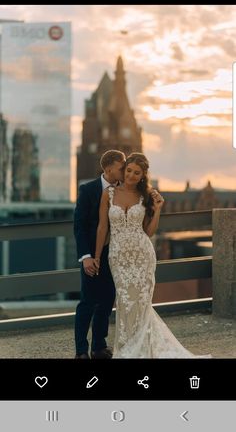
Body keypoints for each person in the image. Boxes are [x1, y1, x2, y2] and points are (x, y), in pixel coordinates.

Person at [94, 153, 211, 358]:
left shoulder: (145, 196)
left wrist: (157, 210)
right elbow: (103, 227)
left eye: (136, 173)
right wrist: (96, 256)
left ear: (142, 176)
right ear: (125, 169)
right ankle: (127, 346)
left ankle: (141, 348)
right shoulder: (109, 194)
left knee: (141, 302)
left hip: (142, 255)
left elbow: (148, 231)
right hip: (118, 256)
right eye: (128, 170)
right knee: (124, 300)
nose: (131, 175)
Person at [73, 149, 126, 359]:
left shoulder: (124, 190)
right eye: (122, 166)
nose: (124, 170)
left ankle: (98, 347)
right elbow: (79, 226)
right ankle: (80, 351)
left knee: (107, 300)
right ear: (109, 168)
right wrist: (86, 256)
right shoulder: (88, 190)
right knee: (87, 302)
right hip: (92, 255)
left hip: (114, 255)